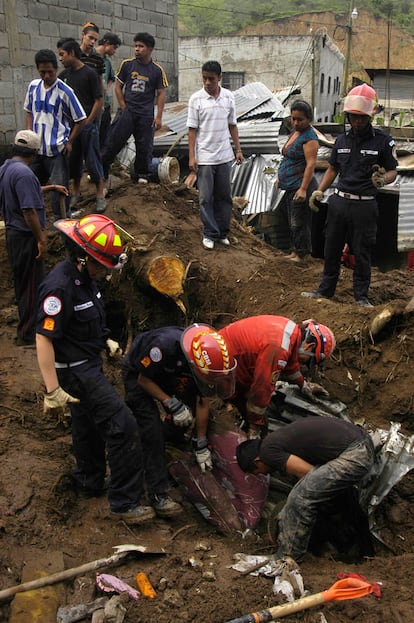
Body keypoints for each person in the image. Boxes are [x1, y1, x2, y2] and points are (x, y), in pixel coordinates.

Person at [35, 214, 160, 524]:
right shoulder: (59, 287)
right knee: (123, 425)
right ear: (83, 258)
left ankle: (89, 480)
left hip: (88, 363)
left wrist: (105, 341)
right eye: (102, 265)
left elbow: (84, 321)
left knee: (88, 426)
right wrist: (52, 390)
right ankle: (124, 502)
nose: (106, 272)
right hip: (75, 372)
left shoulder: (87, 280)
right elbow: (43, 338)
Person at [303, 84, 398, 307]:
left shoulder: (383, 142)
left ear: (371, 116)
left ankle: (361, 297)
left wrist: (383, 179)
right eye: (354, 117)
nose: (358, 122)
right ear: (348, 115)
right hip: (339, 203)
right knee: (331, 248)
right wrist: (320, 190)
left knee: (362, 251)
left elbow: (393, 170)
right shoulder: (341, 141)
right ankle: (325, 291)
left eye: (362, 118)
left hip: (365, 206)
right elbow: (333, 168)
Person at [236, 417, 375, 561]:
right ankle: (363, 552)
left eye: (257, 471)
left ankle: (287, 557)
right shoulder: (277, 442)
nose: (262, 474)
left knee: (300, 497)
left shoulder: (268, 452)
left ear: (257, 460)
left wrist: (288, 514)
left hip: (356, 453)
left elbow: (307, 473)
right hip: (362, 445)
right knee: (328, 497)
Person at [0, 130, 67, 346]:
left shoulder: (7, 168)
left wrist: (51, 187)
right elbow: (29, 210)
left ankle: (25, 327)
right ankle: (28, 334)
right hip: (26, 236)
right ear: (36, 153)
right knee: (32, 286)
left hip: (13, 235)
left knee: (22, 284)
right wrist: (41, 239)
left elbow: (29, 190)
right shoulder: (25, 174)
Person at [218, 315, 335, 437]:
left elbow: (291, 363)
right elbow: (261, 390)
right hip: (223, 369)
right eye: (308, 361)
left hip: (228, 353)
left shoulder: (290, 333)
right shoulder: (278, 349)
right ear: (309, 346)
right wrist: (254, 426)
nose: (304, 364)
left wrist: (303, 384)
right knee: (259, 423)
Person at [122, 326, 216, 475]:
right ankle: (155, 487)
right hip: (140, 371)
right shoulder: (163, 346)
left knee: (187, 412)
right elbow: (143, 380)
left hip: (170, 371)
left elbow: (202, 401)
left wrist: (201, 442)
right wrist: (171, 403)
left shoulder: (204, 361)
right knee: (151, 426)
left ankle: (170, 443)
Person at [187, 60, 243, 250]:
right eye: (204, 78)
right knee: (205, 198)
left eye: (211, 78)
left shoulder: (228, 97)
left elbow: (232, 125)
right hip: (205, 157)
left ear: (219, 77)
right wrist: (192, 157)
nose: (207, 82)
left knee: (224, 196)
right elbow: (192, 130)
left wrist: (238, 149)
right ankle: (209, 233)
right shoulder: (196, 99)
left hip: (224, 156)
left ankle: (222, 232)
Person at [24, 49, 86, 219]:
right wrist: (30, 132)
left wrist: (69, 140)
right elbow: (29, 111)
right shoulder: (33, 87)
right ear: (38, 70)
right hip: (36, 151)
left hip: (56, 151)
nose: (46, 76)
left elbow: (81, 119)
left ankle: (63, 223)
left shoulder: (65, 92)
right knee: (29, 185)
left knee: (58, 192)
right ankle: (32, 220)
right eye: (42, 72)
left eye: (49, 72)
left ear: (56, 69)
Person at [101, 32, 168, 183]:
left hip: (145, 114)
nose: (137, 49)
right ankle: (101, 170)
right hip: (128, 111)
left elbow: (161, 93)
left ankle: (142, 175)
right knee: (114, 140)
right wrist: (124, 106)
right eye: (135, 46)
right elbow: (118, 87)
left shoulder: (157, 70)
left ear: (150, 49)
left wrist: (158, 117)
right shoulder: (127, 64)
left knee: (144, 145)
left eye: (141, 46)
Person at [57, 38, 107, 213]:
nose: (60, 59)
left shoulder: (89, 73)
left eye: (62, 54)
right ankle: (76, 192)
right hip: (71, 127)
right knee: (74, 160)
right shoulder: (63, 77)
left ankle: (100, 194)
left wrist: (89, 120)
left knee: (93, 159)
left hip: (87, 126)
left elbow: (98, 99)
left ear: (71, 53)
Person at [277, 100, 318, 262]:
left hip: (301, 185)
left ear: (308, 119)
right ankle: (295, 251)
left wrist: (303, 188)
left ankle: (302, 254)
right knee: (292, 221)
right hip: (289, 185)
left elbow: (311, 164)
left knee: (299, 222)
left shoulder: (310, 137)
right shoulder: (295, 132)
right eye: (293, 119)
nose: (295, 122)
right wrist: (280, 178)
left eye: (299, 119)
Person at [95, 32, 122, 149]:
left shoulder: (107, 62)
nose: (114, 52)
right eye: (114, 48)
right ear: (107, 44)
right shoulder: (91, 57)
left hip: (105, 104)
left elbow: (111, 77)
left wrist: (105, 88)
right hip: (93, 105)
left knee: (104, 137)